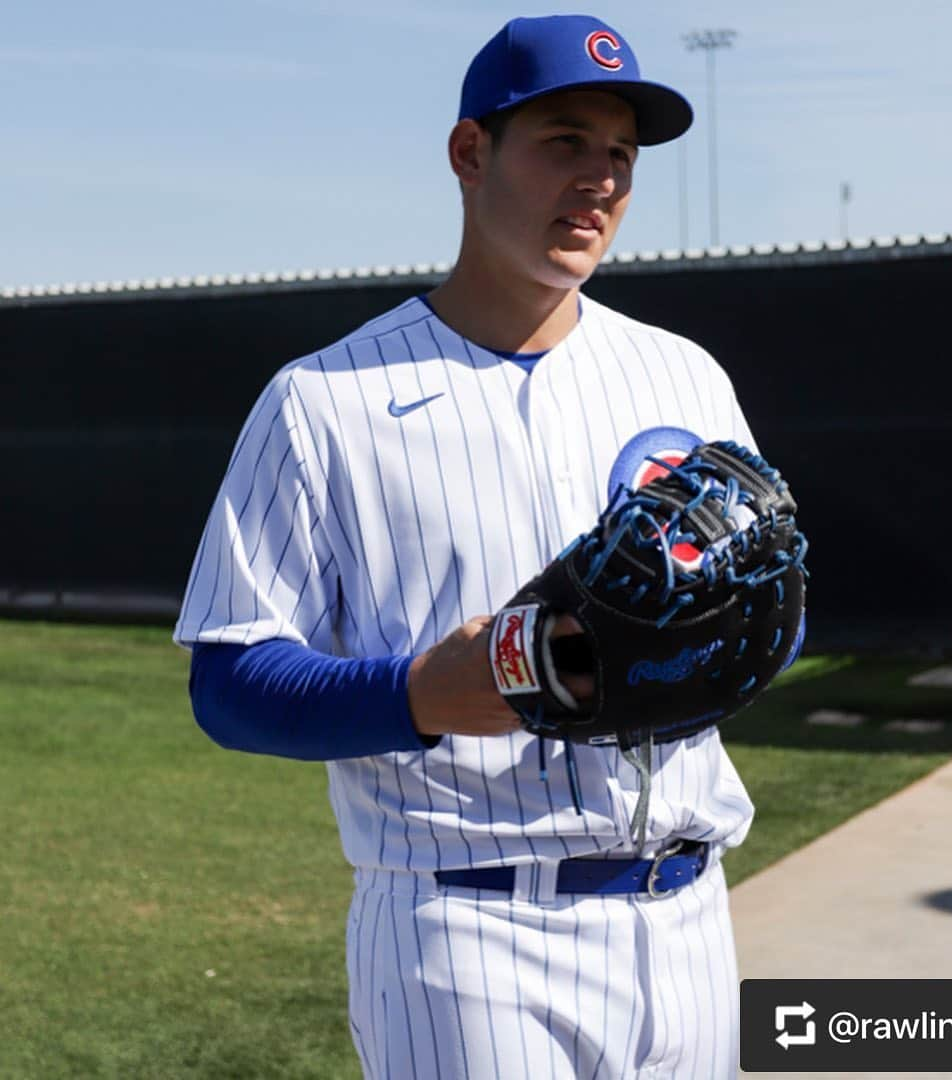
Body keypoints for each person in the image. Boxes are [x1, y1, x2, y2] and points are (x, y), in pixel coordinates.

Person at [175, 14, 762, 1079]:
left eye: (621, 155)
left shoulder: (687, 378)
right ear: (468, 153)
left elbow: (762, 598)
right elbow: (229, 680)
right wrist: (416, 694)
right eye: (565, 141)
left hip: (687, 920)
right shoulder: (321, 403)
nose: (599, 179)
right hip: (469, 930)